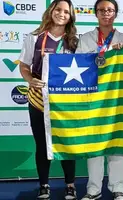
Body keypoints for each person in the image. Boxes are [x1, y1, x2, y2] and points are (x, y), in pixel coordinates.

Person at [18, 0, 78, 199]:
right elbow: (24, 65)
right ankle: (44, 184)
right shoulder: (34, 37)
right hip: (38, 99)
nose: (62, 14)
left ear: (71, 16)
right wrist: (30, 80)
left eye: (66, 12)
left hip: (66, 102)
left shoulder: (75, 40)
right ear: (51, 11)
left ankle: (70, 185)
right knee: (42, 144)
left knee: (66, 144)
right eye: (58, 10)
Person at [75, 0, 123, 200]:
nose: (106, 13)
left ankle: (118, 188)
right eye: (101, 10)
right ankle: (93, 189)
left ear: (115, 13)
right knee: (95, 145)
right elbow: (80, 66)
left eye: (110, 10)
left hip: (116, 99)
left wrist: (122, 53)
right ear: (95, 13)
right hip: (93, 98)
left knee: (117, 144)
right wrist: (107, 52)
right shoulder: (86, 38)